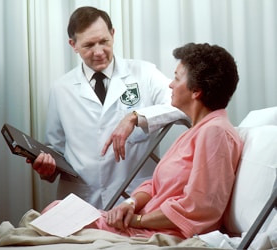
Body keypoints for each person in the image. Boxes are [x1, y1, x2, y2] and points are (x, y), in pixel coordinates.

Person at [42, 42, 243, 239]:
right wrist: (129, 204)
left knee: (55, 218)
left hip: (158, 232)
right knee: (57, 210)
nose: (170, 84)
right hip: (140, 224)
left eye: (176, 78)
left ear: (196, 91)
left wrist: (136, 220)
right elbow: (155, 185)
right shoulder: (196, 131)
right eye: (88, 45)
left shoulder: (215, 132)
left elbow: (198, 208)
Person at [31, 6, 185, 209]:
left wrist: (135, 116)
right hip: (82, 201)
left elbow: (182, 105)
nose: (98, 52)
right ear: (73, 45)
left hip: (134, 199)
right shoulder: (61, 89)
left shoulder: (144, 73)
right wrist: (47, 168)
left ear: (113, 34)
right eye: (88, 45)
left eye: (104, 41)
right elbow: (56, 149)